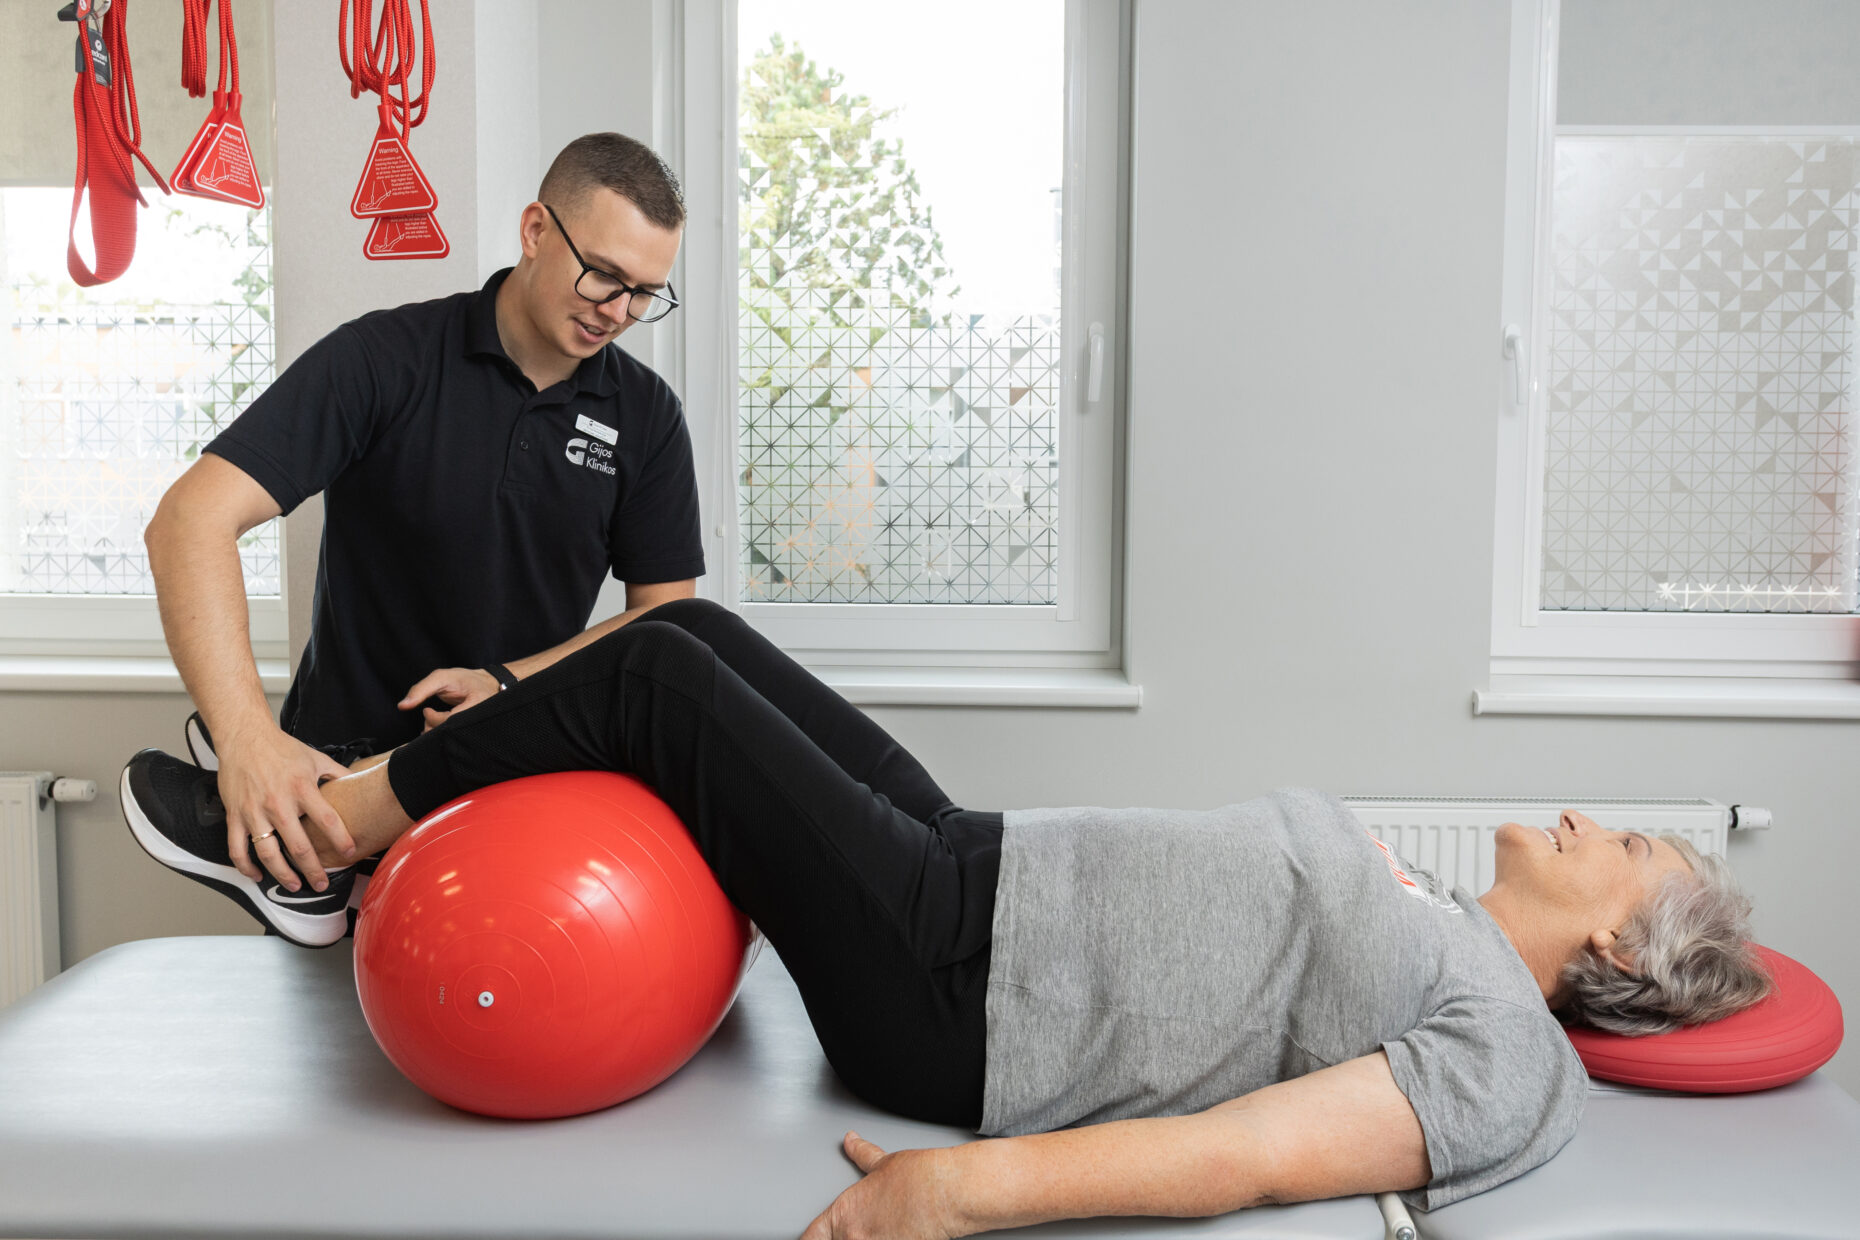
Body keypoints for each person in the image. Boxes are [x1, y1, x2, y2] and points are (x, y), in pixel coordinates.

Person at [118, 598, 1773, 1237]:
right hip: (980, 869)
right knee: (707, 634)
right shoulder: (1449, 927)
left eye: (1624, 844)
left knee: (661, 677)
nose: (1586, 818)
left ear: (1616, 950)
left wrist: (957, 1196)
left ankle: (314, 839)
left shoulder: (1505, 1052)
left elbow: (1261, 1157)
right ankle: (402, 793)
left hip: (961, 989)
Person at [143, 133, 706, 931]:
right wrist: (246, 741)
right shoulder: (386, 359)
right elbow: (188, 519)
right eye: (604, 275)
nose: (617, 311)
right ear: (536, 231)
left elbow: (664, 621)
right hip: (328, 785)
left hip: (502, 795)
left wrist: (508, 682)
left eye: (645, 293)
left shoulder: (647, 418)